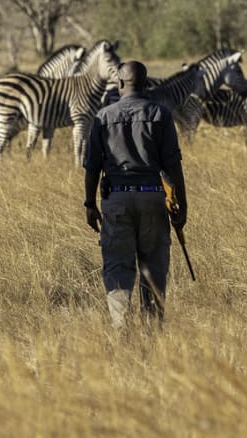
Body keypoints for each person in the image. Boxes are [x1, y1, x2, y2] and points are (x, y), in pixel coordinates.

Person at [83, 60, 187, 327]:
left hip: (116, 199)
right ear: (145, 83)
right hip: (153, 197)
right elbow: (173, 166)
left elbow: (92, 166)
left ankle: (121, 328)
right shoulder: (161, 114)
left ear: (119, 83)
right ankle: (152, 332)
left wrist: (89, 203)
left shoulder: (102, 117)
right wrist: (181, 206)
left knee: (118, 265)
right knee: (153, 268)